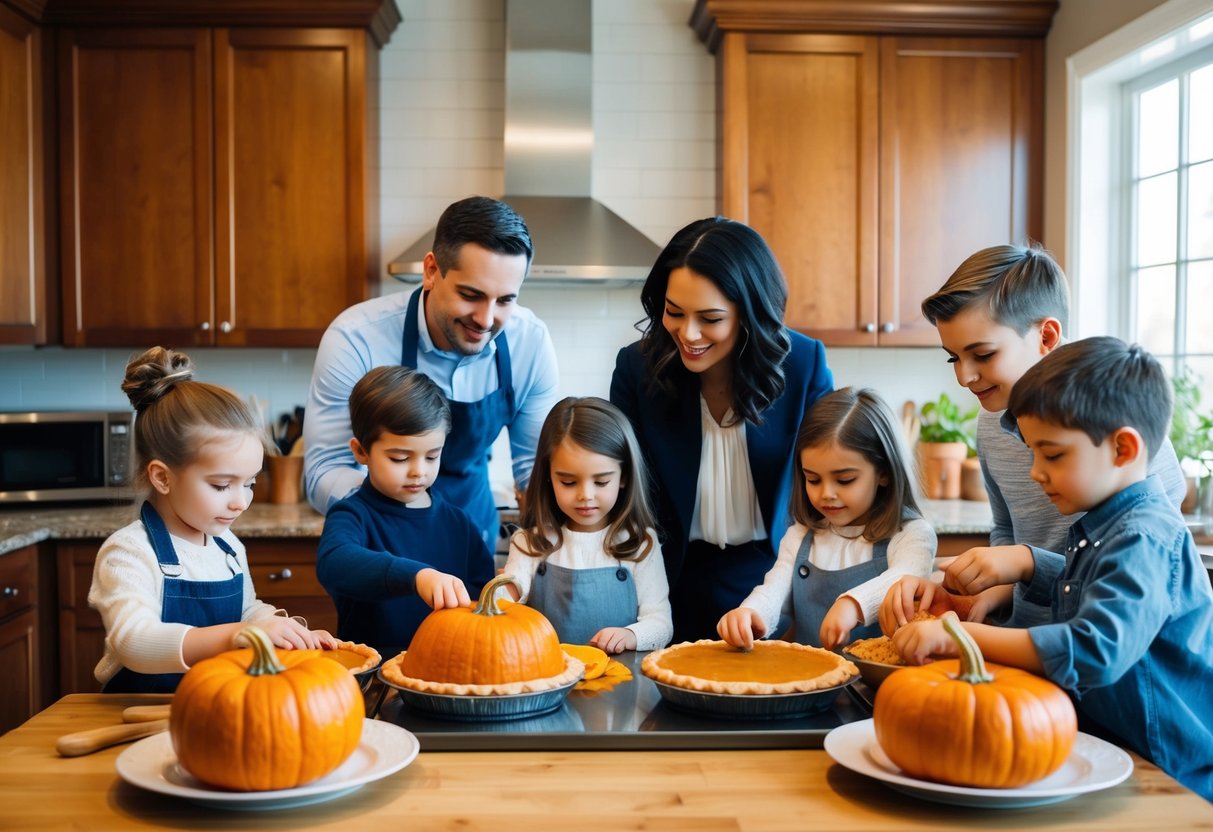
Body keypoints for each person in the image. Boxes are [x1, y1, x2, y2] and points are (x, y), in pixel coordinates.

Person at [887, 337, 1213, 802]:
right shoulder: (1112, 521)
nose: (1037, 472)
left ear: (1123, 449)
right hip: (1123, 750)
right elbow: (1090, 584)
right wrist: (1027, 564)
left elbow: (1094, 649)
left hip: (1169, 771)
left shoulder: (1144, 535)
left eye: (1053, 455)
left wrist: (957, 636)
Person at [918, 244, 1186, 626]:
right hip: (1026, 649)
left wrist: (1026, 563)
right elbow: (1006, 530)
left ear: (1046, 336)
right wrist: (997, 590)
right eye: (953, 357)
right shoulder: (991, 424)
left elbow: (1148, 563)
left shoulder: (1110, 416)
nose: (964, 377)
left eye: (983, 354)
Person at [610, 217, 834, 642]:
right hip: (666, 583)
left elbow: (833, 478)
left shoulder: (803, 364)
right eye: (674, 312)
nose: (688, 334)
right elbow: (625, 488)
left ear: (749, 314)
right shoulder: (636, 369)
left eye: (710, 318)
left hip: (772, 584)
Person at [304, 196, 560, 548]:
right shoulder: (356, 337)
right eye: (471, 294)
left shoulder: (529, 342)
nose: (486, 320)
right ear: (431, 270)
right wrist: (402, 517)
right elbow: (325, 468)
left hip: (473, 541)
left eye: (504, 301)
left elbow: (535, 470)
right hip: (381, 545)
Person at [89, 347, 335, 694]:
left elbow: (247, 611)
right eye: (221, 485)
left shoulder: (227, 547)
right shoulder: (129, 553)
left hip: (214, 707)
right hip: (137, 712)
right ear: (162, 477)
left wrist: (284, 630)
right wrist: (239, 635)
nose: (240, 501)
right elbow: (134, 642)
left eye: (249, 483)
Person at [716, 388, 936, 650]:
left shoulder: (912, 534)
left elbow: (907, 575)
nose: (826, 494)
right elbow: (774, 590)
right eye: (813, 479)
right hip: (806, 682)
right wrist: (750, 613)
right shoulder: (801, 535)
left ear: (884, 474)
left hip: (874, 686)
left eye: (844, 480)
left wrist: (852, 605)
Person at [316, 365, 496, 655]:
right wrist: (417, 576)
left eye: (432, 456)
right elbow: (334, 564)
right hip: (375, 675)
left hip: (449, 672)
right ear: (361, 451)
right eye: (400, 458)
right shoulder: (352, 515)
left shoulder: (459, 522)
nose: (418, 472)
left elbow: (483, 597)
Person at [503, 397, 672, 653]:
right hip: (549, 682)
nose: (585, 495)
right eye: (569, 483)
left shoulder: (641, 544)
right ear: (548, 476)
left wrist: (630, 635)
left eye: (601, 482)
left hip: (621, 686)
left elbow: (661, 624)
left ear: (624, 476)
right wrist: (499, 595)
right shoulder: (530, 544)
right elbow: (508, 595)